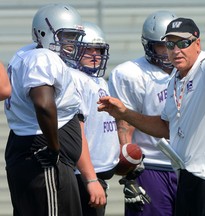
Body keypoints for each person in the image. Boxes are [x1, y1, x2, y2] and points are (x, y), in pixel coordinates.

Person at [98, 16, 205, 216]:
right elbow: (165, 127)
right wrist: (124, 113)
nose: (176, 50)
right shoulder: (175, 78)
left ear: (197, 44)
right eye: (170, 44)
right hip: (187, 174)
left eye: (183, 43)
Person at [4, 4, 105, 216]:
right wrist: (54, 147)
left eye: (75, 37)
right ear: (44, 32)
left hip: (34, 150)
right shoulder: (43, 58)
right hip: (43, 155)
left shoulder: (28, 54)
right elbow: (43, 103)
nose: (72, 43)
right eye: (67, 36)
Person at [108, 10, 178, 216]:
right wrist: (130, 174)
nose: (168, 51)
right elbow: (124, 122)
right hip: (151, 166)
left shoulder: (195, 68)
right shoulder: (130, 73)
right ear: (148, 45)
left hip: (192, 166)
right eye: (161, 45)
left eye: (173, 44)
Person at [70, 21, 120, 216]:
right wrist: (91, 179)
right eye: (87, 49)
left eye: (98, 49)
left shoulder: (98, 80)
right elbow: (76, 132)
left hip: (96, 174)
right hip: (82, 176)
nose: (94, 54)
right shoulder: (75, 78)